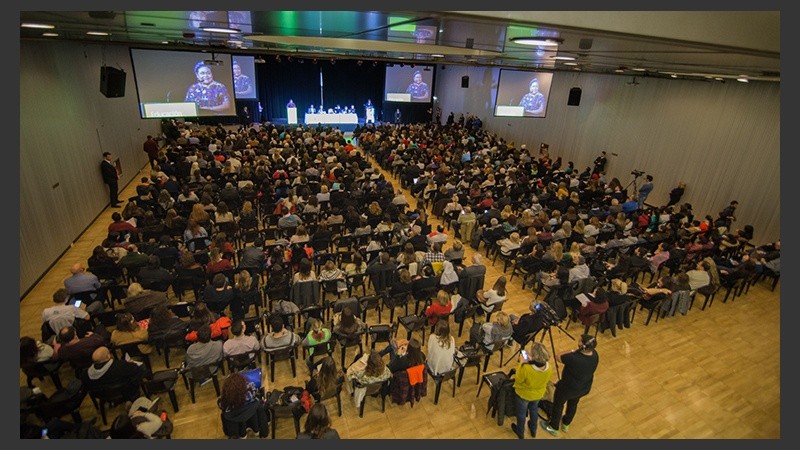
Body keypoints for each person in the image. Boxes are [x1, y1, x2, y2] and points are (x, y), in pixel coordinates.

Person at [541, 334, 599, 436]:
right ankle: (566, 423)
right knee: (573, 404)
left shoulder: (573, 358)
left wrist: (572, 351)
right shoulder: (595, 355)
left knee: (558, 405)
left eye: (580, 341)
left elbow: (558, 356)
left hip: (567, 388)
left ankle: (553, 427)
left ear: (583, 346)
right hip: (583, 387)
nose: (578, 341)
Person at [511, 342, 552, 439]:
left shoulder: (526, 368)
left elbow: (518, 379)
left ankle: (520, 432)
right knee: (534, 410)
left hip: (524, 394)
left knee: (521, 414)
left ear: (533, 357)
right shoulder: (549, 367)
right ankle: (533, 429)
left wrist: (521, 363)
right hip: (538, 394)